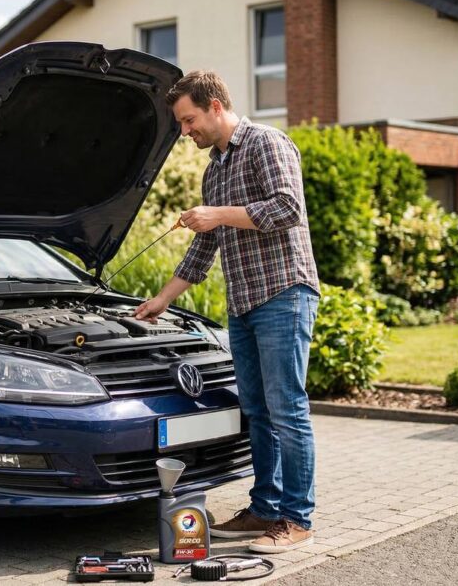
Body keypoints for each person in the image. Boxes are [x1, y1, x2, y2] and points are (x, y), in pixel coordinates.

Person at [135, 70, 321, 554]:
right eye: (180, 123)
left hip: (284, 294)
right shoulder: (213, 170)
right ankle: (264, 509)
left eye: (189, 119)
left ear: (215, 105)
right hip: (243, 303)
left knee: (287, 410)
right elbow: (203, 250)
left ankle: (297, 519)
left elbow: (287, 209)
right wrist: (162, 299)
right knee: (257, 412)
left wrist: (216, 213)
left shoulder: (267, 144)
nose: (185, 131)